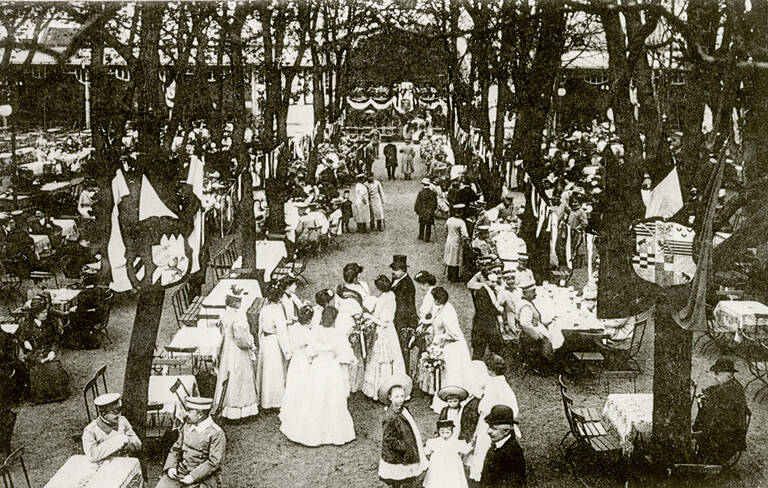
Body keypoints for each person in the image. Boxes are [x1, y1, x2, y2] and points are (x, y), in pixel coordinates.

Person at [285, 306, 356, 446]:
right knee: (332, 397)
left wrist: (318, 353)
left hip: (318, 367)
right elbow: (345, 354)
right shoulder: (338, 334)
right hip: (331, 367)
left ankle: (313, 433)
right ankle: (335, 433)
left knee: (316, 397)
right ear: (335, 319)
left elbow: (310, 352)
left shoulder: (316, 331)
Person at [468, 355, 520, 483]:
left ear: (490, 370)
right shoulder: (501, 383)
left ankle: (486, 474)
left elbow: (485, 408)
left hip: (493, 421)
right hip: (501, 418)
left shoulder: (494, 385)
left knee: (485, 447)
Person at [157, 397, 226, 488]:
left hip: (204, 476)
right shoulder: (187, 426)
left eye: (189, 411)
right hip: (181, 471)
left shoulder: (216, 433)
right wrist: (171, 467)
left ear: (200, 414)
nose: (186, 414)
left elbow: (214, 462)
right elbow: (175, 449)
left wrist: (193, 477)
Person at [693, 357, 749, 464]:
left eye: (717, 374)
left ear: (727, 374)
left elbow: (718, 414)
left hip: (729, 436)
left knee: (705, 421)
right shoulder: (733, 385)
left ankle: (704, 456)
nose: (715, 376)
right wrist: (707, 394)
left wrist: (703, 402)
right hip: (732, 430)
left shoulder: (729, 390)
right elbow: (715, 389)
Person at [214, 289, 259, 420]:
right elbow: (241, 338)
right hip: (238, 350)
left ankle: (227, 408)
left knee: (229, 374)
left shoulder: (224, 314)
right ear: (235, 302)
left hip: (228, 348)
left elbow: (223, 333)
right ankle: (241, 411)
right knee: (239, 376)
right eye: (239, 300)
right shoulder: (239, 317)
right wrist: (251, 344)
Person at [428, 287, 472, 413]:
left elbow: (454, 335)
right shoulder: (439, 308)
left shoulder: (448, 312)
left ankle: (455, 398)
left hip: (453, 347)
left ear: (437, 300)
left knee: (452, 373)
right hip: (444, 345)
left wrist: (439, 337)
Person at [378, 375, 427, 487]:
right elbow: (389, 438)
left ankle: (404, 482)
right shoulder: (390, 417)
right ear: (390, 397)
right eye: (397, 397)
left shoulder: (404, 410)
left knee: (404, 472)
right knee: (396, 473)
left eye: (402, 396)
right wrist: (403, 447)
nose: (400, 399)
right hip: (397, 452)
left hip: (406, 445)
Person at [363, 276, 407, 401]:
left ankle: (382, 388)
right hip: (391, 331)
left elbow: (381, 321)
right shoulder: (391, 294)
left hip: (384, 332)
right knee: (393, 356)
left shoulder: (383, 298)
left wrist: (369, 316)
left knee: (383, 359)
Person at [20, 296, 70, 404]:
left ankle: (58, 395)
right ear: (36, 314)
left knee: (53, 367)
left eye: (46, 312)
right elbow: (22, 337)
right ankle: (41, 397)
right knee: (37, 369)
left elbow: (56, 340)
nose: (46, 314)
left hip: (48, 350)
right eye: (43, 313)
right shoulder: (26, 325)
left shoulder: (50, 323)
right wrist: (25, 342)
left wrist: (52, 351)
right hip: (35, 352)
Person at [279, 305, 315, 440]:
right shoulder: (308, 332)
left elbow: (291, 344)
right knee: (304, 384)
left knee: (294, 385)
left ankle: (292, 410)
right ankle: (302, 411)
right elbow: (309, 347)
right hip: (304, 359)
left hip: (295, 360)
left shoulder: (293, 328)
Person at [256, 284, 291, 410]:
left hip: (265, 340)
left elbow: (260, 326)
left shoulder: (265, 309)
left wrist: (260, 341)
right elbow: (282, 332)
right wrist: (287, 351)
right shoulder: (278, 311)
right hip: (274, 342)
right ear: (280, 298)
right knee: (275, 371)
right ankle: (275, 402)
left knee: (266, 370)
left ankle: (264, 400)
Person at [82, 393, 141, 462]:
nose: (118, 415)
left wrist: (130, 443)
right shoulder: (90, 431)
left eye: (119, 410)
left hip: (123, 462)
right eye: (114, 412)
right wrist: (119, 440)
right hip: (102, 466)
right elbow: (91, 456)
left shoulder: (122, 421)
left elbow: (138, 444)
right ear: (103, 413)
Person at [480, 405, 526, 488]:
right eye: (489, 427)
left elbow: (513, 483)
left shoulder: (512, 453)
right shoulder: (495, 447)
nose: (488, 431)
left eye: (494, 428)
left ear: (506, 431)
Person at [516, 274, 554, 373]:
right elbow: (524, 323)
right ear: (527, 293)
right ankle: (542, 366)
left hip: (528, 331)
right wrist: (537, 336)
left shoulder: (526, 302)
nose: (535, 294)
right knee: (546, 338)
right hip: (527, 335)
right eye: (533, 292)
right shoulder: (526, 307)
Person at [467, 271, 505, 360]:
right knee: (479, 348)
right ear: (486, 281)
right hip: (482, 324)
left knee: (494, 346)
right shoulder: (482, 292)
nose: (494, 284)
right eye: (492, 282)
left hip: (488, 323)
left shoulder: (491, 290)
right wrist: (499, 310)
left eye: (496, 282)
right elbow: (484, 309)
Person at [423, 419, 471, 488]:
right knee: (437, 478)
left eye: (447, 432)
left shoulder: (455, 442)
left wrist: (471, 444)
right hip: (438, 464)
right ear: (439, 432)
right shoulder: (434, 442)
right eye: (442, 432)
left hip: (452, 464)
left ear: (451, 432)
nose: (445, 434)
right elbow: (427, 451)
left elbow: (464, 449)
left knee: (453, 478)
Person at [390, 255, 418, 375]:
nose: (393, 272)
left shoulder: (407, 285)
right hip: (396, 319)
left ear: (403, 270)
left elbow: (406, 307)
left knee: (403, 349)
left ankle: (405, 374)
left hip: (403, 321)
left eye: (395, 269)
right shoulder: (397, 279)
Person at [444, 204, 469, 282]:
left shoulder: (449, 220)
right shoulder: (461, 222)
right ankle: (455, 277)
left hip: (449, 241)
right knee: (455, 259)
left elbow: (445, 231)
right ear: (461, 212)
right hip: (456, 242)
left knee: (449, 257)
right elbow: (465, 235)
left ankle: (449, 275)